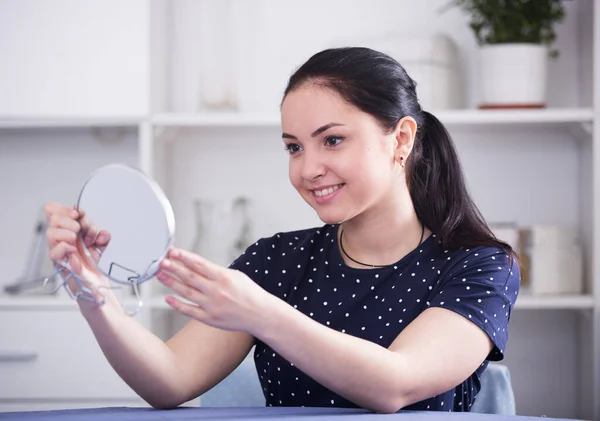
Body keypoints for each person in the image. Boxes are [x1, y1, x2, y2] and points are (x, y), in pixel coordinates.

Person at [44, 47, 520, 413]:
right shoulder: (276, 261)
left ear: (400, 139)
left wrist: (261, 314)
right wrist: (94, 295)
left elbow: (396, 384)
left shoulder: (480, 265)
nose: (309, 169)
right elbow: (169, 380)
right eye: (294, 148)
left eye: (332, 140)